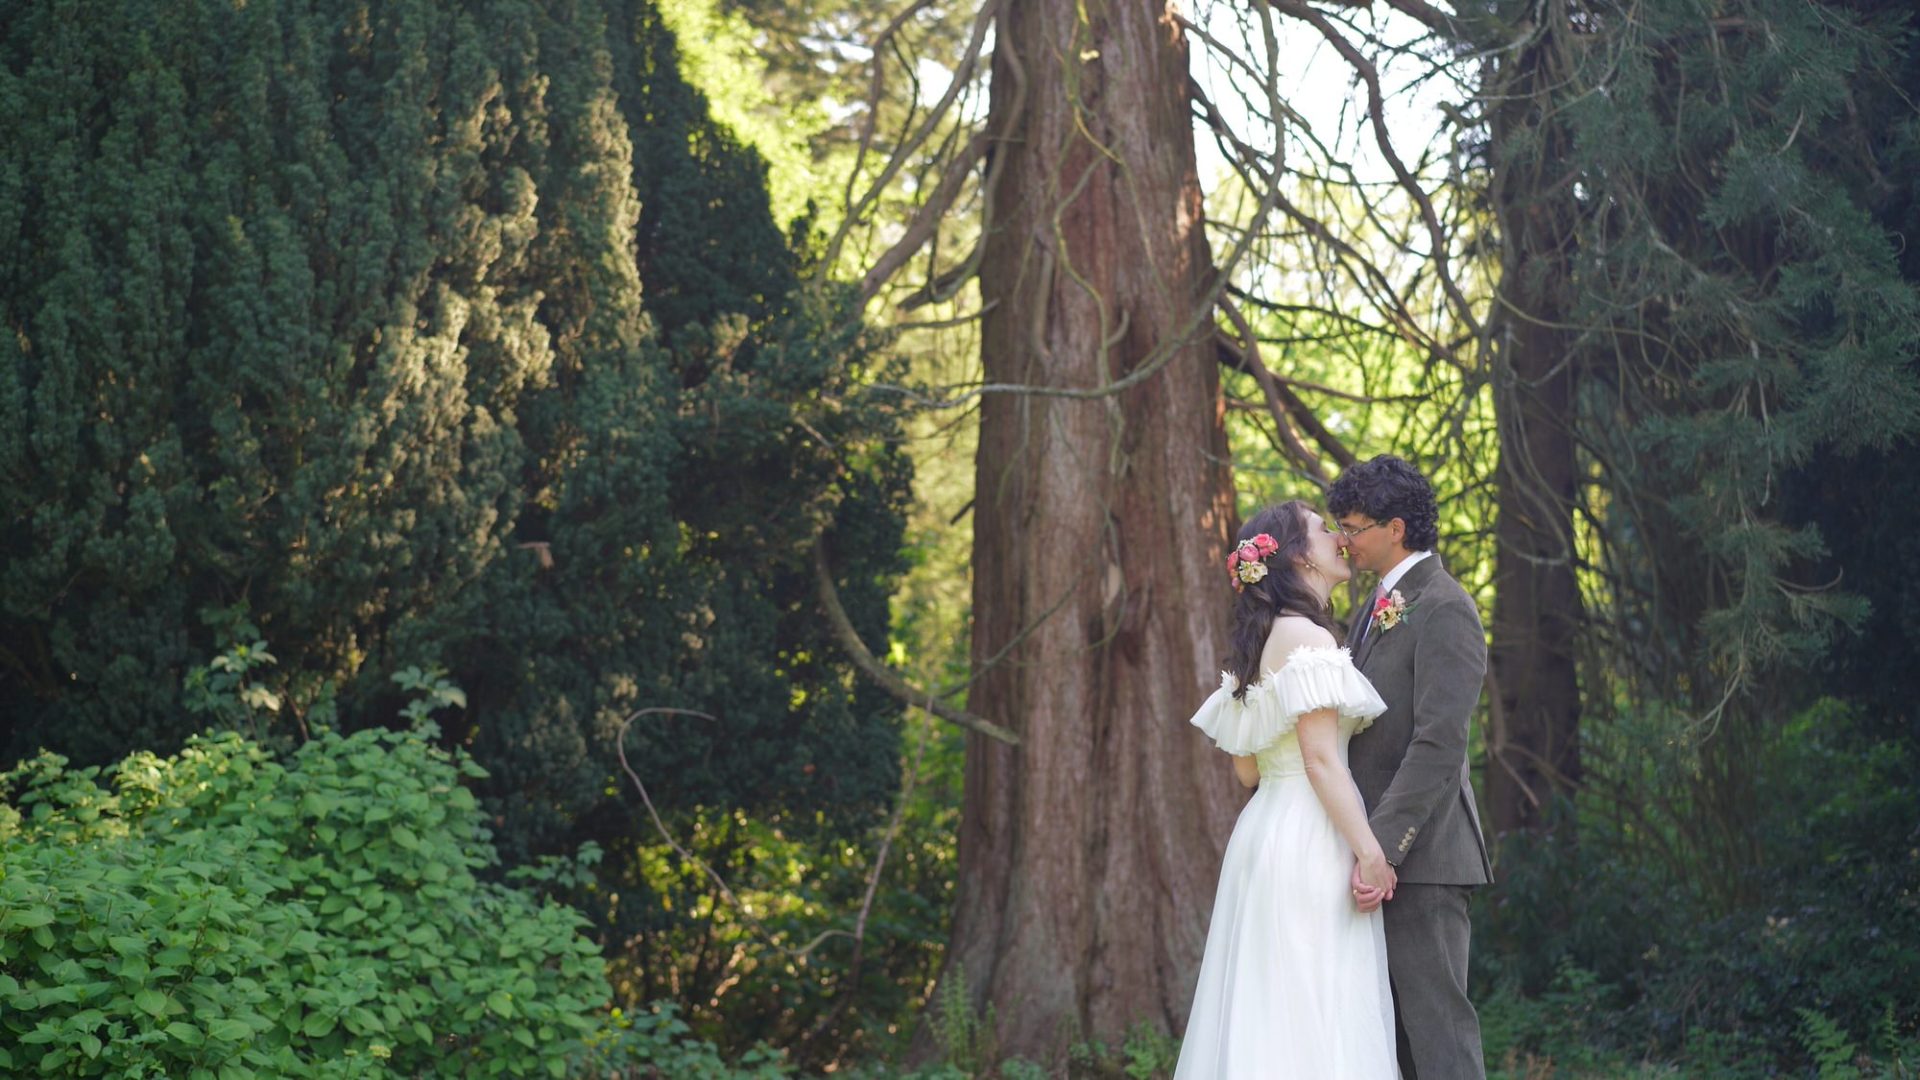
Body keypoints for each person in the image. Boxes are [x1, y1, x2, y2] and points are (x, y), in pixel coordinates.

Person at [1174, 500, 1401, 1079]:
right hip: (1310, 839)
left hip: (1264, 835)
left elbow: (1248, 773)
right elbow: (1322, 760)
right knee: (1314, 1009)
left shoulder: (1262, 642)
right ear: (1299, 555)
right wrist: (1372, 853)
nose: (1339, 537)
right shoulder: (1308, 639)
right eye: (1325, 530)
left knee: (1269, 1009)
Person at [1331, 455, 1493, 1080]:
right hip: (1377, 858)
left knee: (1438, 1036)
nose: (1343, 538)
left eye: (1353, 525)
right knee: (1391, 1043)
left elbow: (1438, 746)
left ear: (1395, 528)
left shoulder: (1446, 607)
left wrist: (1382, 849)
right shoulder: (1375, 604)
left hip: (1421, 858)